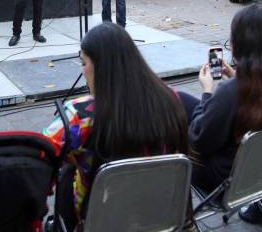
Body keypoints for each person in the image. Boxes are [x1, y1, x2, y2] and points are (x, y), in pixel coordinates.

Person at [42, 23, 188, 231]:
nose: (83, 72)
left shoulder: (80, 115)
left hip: (100, 220)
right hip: (158, 215)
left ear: (100, 67)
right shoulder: (170, 97)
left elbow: (38, 156)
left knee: (67, 172)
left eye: (84, 63)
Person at [178, 4, 262, 224]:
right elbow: (259, 105)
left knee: (173, 126)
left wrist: (207, 91)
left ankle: (180, 218)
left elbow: (199, 140)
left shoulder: (231, 92)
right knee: (181, 100)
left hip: (229, 180)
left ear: (235, 44)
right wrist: (234, 75)